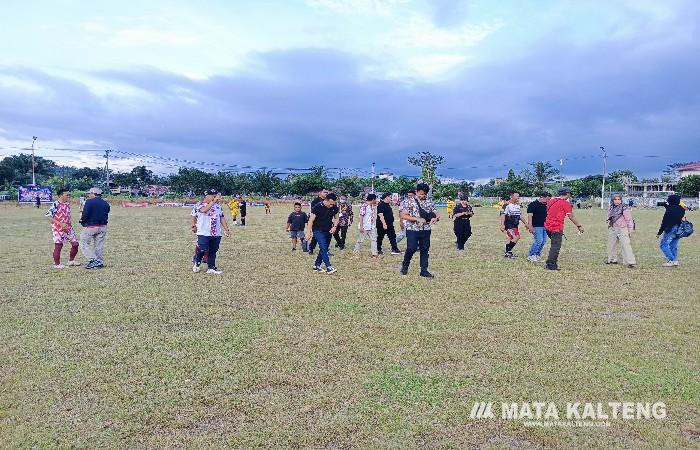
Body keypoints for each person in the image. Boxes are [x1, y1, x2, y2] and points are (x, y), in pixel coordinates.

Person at [399, 183, 440, 278]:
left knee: (425, 249)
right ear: (416, 192)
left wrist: (435, 218)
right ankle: (405, 265)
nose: (422, 196)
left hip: (426, 229)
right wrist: (417, 219)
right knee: (411, 248)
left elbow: (436, 213)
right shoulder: (409, 202)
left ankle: (424, 271)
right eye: (421, 194)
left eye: (424, 194)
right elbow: (403, 215)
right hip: (412, 229)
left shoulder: (429, 202)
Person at [544, 188, 584, 271]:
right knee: (555, 246)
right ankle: (551, 265)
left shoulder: (551, 201)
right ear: (567, 194)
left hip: (547, 226)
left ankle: (551, 262)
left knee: (554, 245)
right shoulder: (565, 203)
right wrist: (579, 226)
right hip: (556, 227)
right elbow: (571, 216)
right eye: (569, 193)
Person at [192, 189, 231, 274]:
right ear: (207, 196)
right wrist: (193, 226)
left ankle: (211, 268)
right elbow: (203, 210)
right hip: (203, 232)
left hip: (216, 232)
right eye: (213, 196)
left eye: (215, 195)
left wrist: (226, 229)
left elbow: (221, 217)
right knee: (202, 249)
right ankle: (197, 263)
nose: (215, 197)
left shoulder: (218, 206)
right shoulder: (199, 204)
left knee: (213, 250)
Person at [45, 188, 80, 268]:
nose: (69, 196)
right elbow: (48, 216)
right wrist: (60, 223)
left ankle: (71, 261)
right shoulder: (55, 204)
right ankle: (57, 264)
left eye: (69, 195)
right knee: (58, 245)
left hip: (68, 228)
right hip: (58, 229)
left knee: (75, 244)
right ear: (61, 196)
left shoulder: (67, 204)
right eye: (67, 195)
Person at [306, 192, 339, 274]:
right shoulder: (317, 207)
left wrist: (334, 226)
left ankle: (316, 266)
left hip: (328, 230)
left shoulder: (334, 206)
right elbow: (311, 220)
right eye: (330, 204)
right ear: (326, 200)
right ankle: (329, 267)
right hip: (318, 230)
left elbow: (337, 217)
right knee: (324, 248)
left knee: (323, 249)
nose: (332, 206)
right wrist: (308, 232)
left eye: (333, 204)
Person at [79, 187, 111, 269]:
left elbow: (85, 214)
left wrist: (82, 221)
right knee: (99, 245)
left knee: (83, 243)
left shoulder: (89, 202)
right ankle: (99, 261)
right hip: (103, 226)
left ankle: (94, 260)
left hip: (91, 226)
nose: (89, 195)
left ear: (93, 193)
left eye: (90, 193)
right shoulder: (105, 203)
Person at [607, 194, 636, 268]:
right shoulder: (611, 207)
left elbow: (629, 220)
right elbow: (609, 216)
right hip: (613, 227)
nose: (617, 201)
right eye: (615, 199)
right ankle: (613, 259)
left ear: (621, 200)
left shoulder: (624, 208)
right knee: (611, 244)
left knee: (626, 245)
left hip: (622, 228)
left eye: (618, 199)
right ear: (612, 200)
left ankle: (630, 262)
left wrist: (630, 230)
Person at [657, 194, 686, 267]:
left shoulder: (669, 210)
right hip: (678, 229)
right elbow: (675, 208)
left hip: (670, 230)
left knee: (663, 245)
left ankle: (671, 260)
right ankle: (675, 260)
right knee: (673, 245)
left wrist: (659, 233)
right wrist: (666, 205)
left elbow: (664, 223)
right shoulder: (682, 209)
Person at [500, 192, 531, 258]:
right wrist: (502, 224)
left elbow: (520, 216)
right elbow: (503, 215)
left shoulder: (517, 205)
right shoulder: (506, 205)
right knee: (516, 237)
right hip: (509, 225)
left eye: (518, 196)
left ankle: (508, 252)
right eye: (517, 196)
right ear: (511, 197)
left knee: (510, 238)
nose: (518, 198)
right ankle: (508, 252)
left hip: (515, 225)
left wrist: (526, 223)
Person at [527, 192, 551, 262]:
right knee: (539, 241)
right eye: (547, 199)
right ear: (541, 197)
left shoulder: (547, 205)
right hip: (536, 226)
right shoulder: (533, 204)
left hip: (545, 226)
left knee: (543, 241)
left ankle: (537, 254)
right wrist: (530, 226)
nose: (548, 201)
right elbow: (530, 216)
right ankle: (531, 255)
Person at [354, 193, 379, 259]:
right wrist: (361, 226)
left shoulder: (372, 206)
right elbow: (361, 217)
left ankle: (374, 254)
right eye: (375, 199)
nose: (376, 200)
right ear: (373, 199)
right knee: (360, 240)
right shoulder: (364, 206)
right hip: (365, 226)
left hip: (371, 226)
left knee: (374, 239)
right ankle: (356, 253)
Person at [307, 188, 329, 255]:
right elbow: (314, 212)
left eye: (327, 192)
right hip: (317, 222)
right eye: (324, 192)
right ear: (320, 193)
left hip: (326, 221)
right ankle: (311, 248)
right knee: (316, 236)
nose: (326, 193)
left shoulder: (327, 201)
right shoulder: (315, 201)